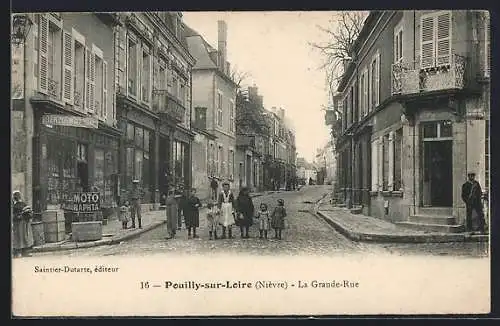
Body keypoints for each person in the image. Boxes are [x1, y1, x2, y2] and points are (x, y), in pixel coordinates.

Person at [12, 191, 34, 258]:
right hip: (24, 223)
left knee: (18, 238)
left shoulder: (14, 206)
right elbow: (29, 212)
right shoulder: (24, 204)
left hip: (18, 223)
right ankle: (24, 252)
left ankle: (18, 253)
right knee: (24, 237)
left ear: (14, 198)